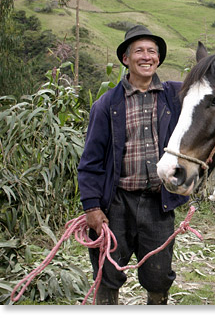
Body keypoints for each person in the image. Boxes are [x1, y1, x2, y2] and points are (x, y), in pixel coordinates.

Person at [78, 25, 189, 305]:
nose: (146, 56)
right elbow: (90, 161)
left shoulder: (173, 97)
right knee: (107, 271)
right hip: (117, 205)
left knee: (159, 275)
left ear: (159, 59)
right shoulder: (107, 105)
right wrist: (92, 207)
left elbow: (206, 103)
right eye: (139, 50)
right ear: (126, 59)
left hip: (158, 203)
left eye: (152, 51)